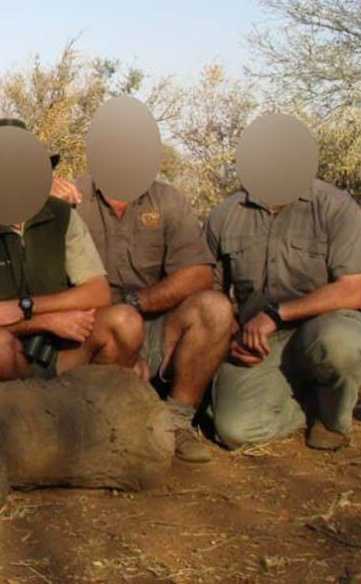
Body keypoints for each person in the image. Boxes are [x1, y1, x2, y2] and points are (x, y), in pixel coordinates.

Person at [0, 120, 143, 382]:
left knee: (125, 322)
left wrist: (25, 308)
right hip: (7, 350)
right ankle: (32, 414)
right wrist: (45, 321)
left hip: (61, 345)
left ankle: (94, 408)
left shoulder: (62, 215)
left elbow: (98, 292)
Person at [51, 174, 234, 462]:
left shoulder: (168, 200)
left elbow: (200, 273)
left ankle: (177, 422)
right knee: (118, 326)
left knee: (216, 308)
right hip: (96, 327)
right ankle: (108, 426)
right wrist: (49, 208)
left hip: (150, 320)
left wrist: (135, 306)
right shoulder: (70, 196)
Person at [204, 178, 361, 451]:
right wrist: (231, 331)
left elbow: (353, 290)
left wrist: (276, 314)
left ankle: (332, 416)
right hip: (262, 337)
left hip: (327, 322)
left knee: (339, 344)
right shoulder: (226, 213)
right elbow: (209, 290)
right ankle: (308, 405)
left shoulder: (335, 206)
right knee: (234, 429)